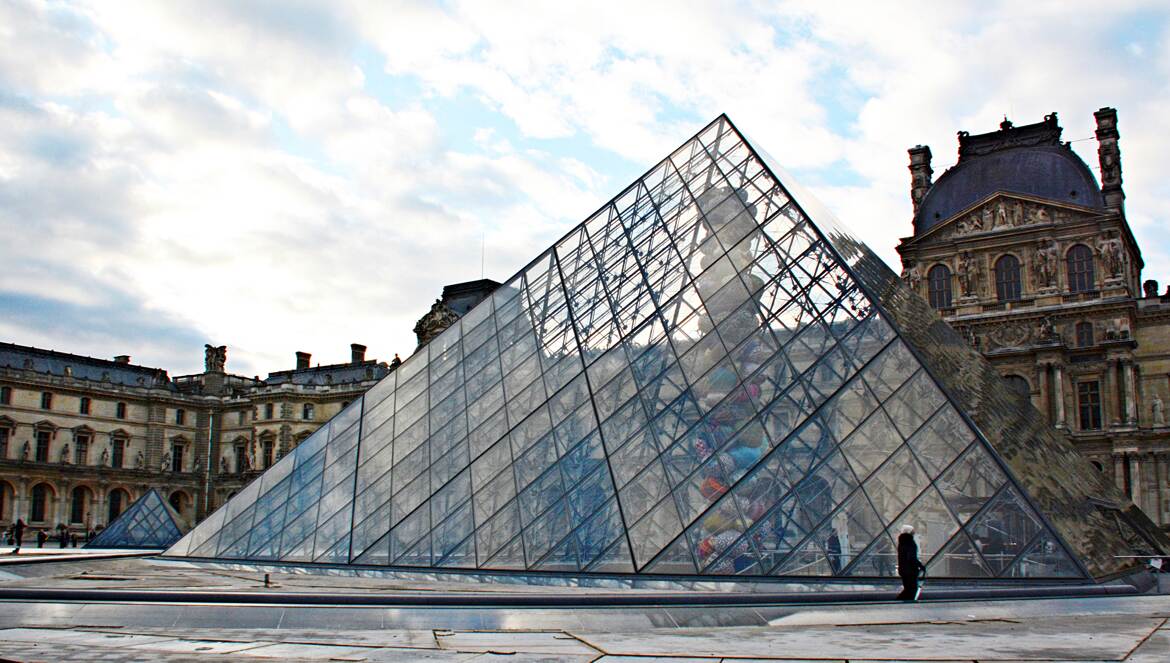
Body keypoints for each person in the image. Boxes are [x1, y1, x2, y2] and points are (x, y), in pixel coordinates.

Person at [896, 524, 926, 601]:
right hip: (911, 570)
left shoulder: (901, 542)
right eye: (913, 532)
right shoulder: (910, 543)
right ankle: (905, 600)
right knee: (913, 588)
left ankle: (900, 600)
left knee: (907, 588)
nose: (914, 533)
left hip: (903, 569)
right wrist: (920, 565)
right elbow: (912, 557)